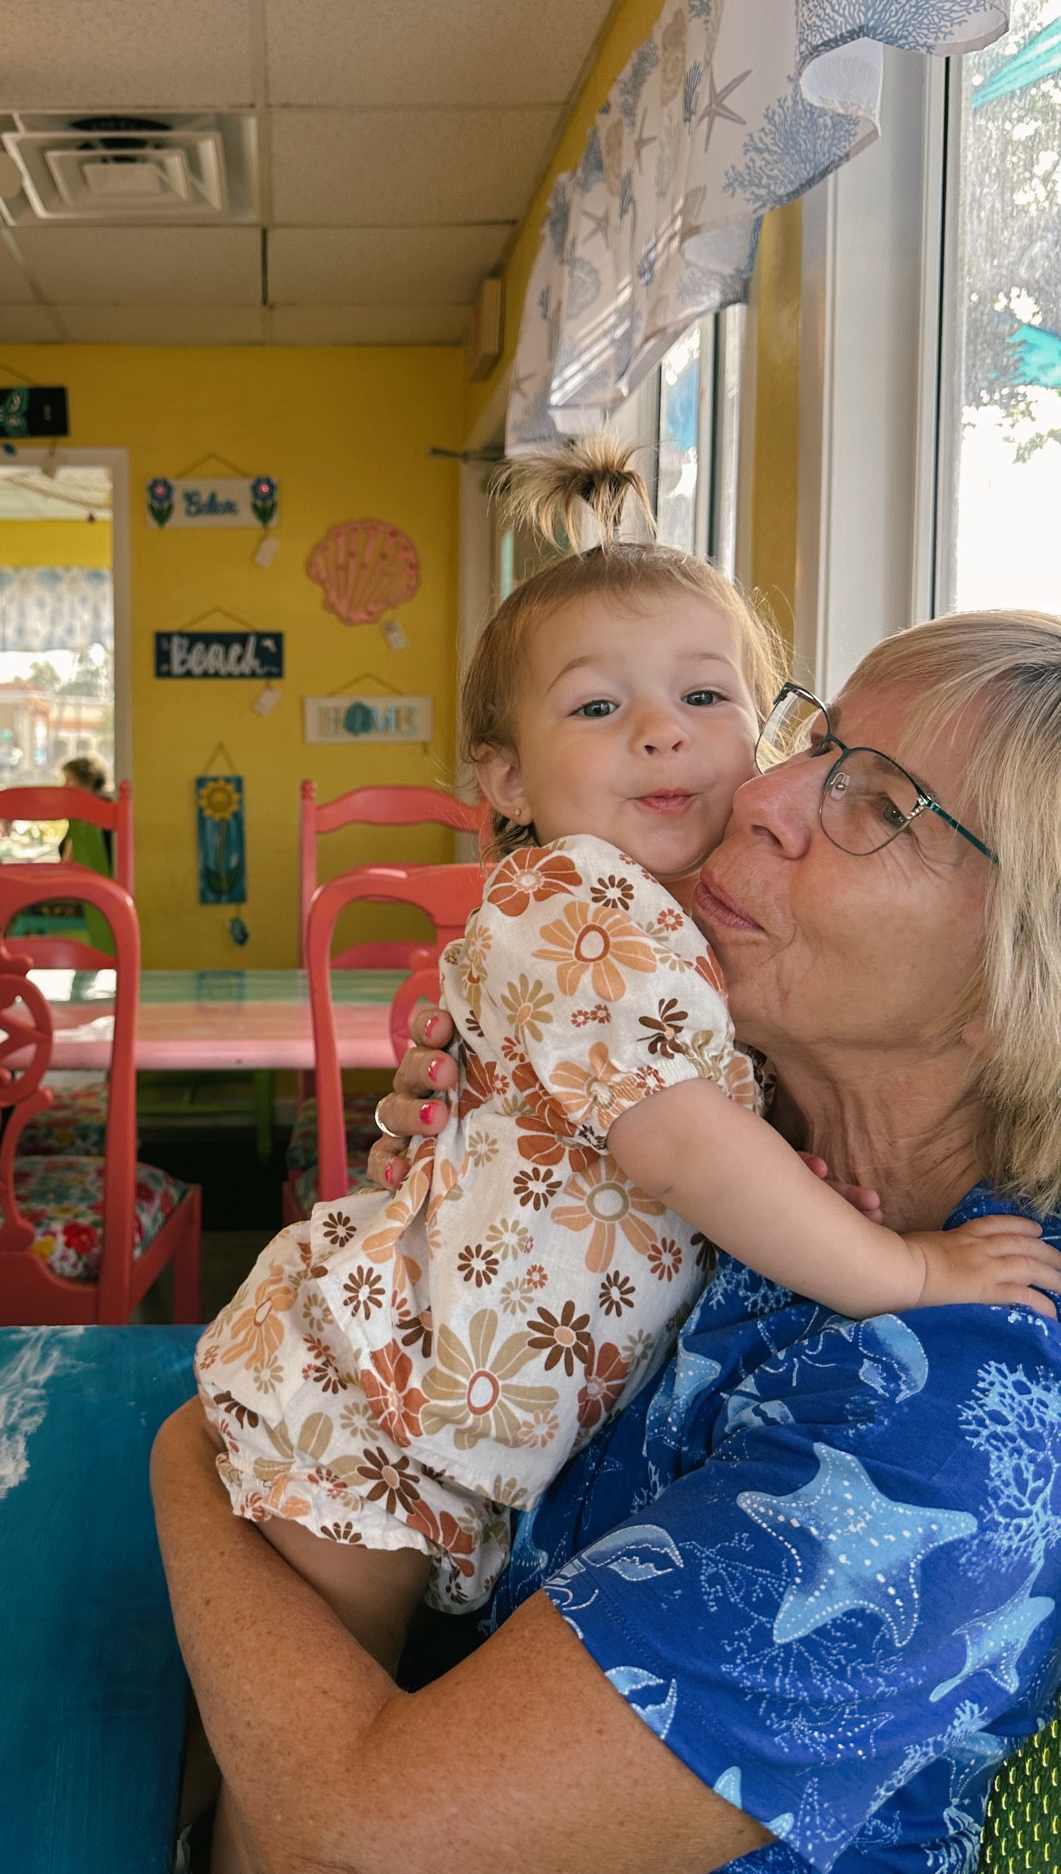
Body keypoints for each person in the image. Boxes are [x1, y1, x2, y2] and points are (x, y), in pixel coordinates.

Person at [154, 603, 1061, 1872]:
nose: (764, 795)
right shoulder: (759, 1136)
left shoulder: (955, 1426)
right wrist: (472, 1161)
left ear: (1024, 973)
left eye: (878, 804)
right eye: (814, 737)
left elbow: (351, 1838)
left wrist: (192, 1449)